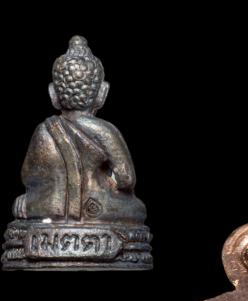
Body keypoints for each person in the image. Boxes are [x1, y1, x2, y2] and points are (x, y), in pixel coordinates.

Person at [12, 36, 147, 225]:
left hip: (49, 207)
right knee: (137, 207)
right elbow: (126, 180)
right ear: (102, 94)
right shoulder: (105, 131)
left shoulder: (42, 130)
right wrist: (107, 183)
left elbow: (28, 177)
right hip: (95, 207)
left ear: (53, 94)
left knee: (22, 204)